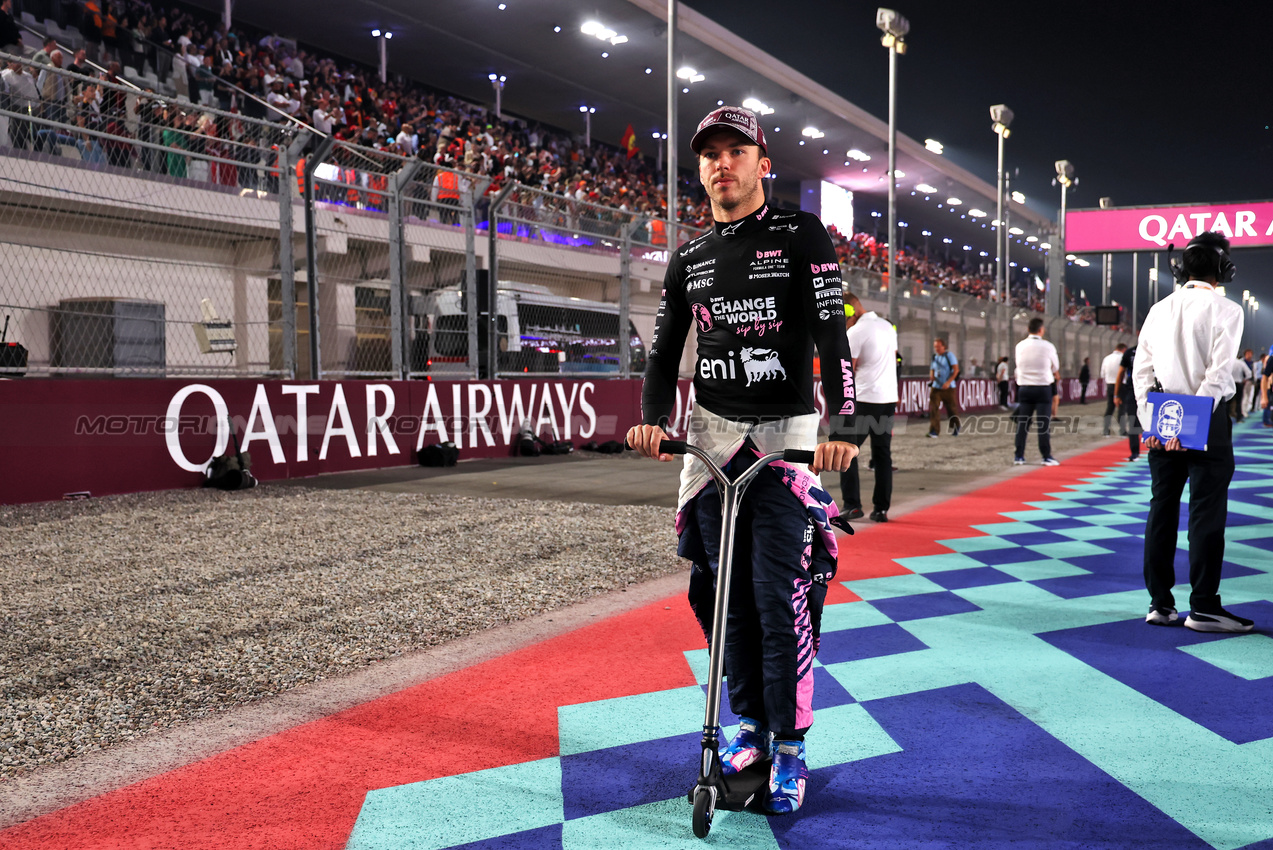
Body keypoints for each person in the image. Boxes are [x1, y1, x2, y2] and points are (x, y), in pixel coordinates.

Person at [628, 105, 858, 816]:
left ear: (763, 163)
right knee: (713, 592)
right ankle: (749, 726)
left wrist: (841, 423)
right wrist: (648, 422)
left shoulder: (800, 233)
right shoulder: (688, 256)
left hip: (786, 429)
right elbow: (665, 352)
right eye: (709, 155)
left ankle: (789, 745)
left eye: (736, 151)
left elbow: (828, 331)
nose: (721, 164)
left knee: (775, 594)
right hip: (711, 428)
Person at [1135, 231, 1251, 633]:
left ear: (1181, 267)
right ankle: (1203, 607)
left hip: (1162, 416)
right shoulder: (1229, 311)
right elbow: (1218, 377)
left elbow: (1141, 373)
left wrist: (1154, 424)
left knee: (1161, 509)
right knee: (1206, 512)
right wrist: (1191, 424)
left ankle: (1160, 604)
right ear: (1224, 269)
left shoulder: (1158, 308)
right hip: (1207, 420)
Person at [840, 293, 896, 523]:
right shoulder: (887, 326)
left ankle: (852, 505)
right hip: (888, 398)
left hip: (864, 399)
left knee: (846, 451)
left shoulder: (855, 332)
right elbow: (892, 358)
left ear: (849, 312)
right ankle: (881, 509)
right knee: (882, 455)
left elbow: (847, 371)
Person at [1013, 317, 1060, 466]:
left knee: (1023, 424)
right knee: (1043, 424)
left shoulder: (1019, 346)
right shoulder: (1048, 346)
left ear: (1028, 329)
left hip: (1025, 387)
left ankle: (1019, 456)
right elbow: (1055, 367)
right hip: (1042, 387)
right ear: (1041, 330)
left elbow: (1018, 364)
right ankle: (1046, 456)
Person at [927, 337, 960, 437]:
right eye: (935, 347)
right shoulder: (934, 357)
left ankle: (956, 425)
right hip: (936, 386)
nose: (937, 349)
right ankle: (934, 430)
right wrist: (931, 375)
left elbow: (956, 370)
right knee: (934, 408)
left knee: (951, 408)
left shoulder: (949, 356)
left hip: (948, 388)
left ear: (944, 346)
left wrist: (949, 382)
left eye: (938, 347)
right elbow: (932, 368)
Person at [1114, 345, 1140, 461]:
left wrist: (1116, 394)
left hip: (1133, 390)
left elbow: (1120, 373)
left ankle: (1135, 453)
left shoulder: (1129, 352)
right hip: (1153, 391)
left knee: (1132, 421)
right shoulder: (1158, 348)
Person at [1101, 343, 1127, 436]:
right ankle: (1122, 430)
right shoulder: (1123, 357)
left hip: (1110, 384)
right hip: (1121, 385)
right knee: (1122, 409)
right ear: (1124, 349)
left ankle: (1105, 429)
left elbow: (1102, 374)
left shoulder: (1106, 358)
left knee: (1109, 408)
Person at [1229, 354, 1251, 422]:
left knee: (1228, 402)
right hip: (1239, 383)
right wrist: (1245, 379)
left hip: (1229, 384)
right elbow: (1249, 373)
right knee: (1239, 402)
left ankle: (1226, 418)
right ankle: (1238, 418)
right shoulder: (1241, 363)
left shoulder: (1228, 362)